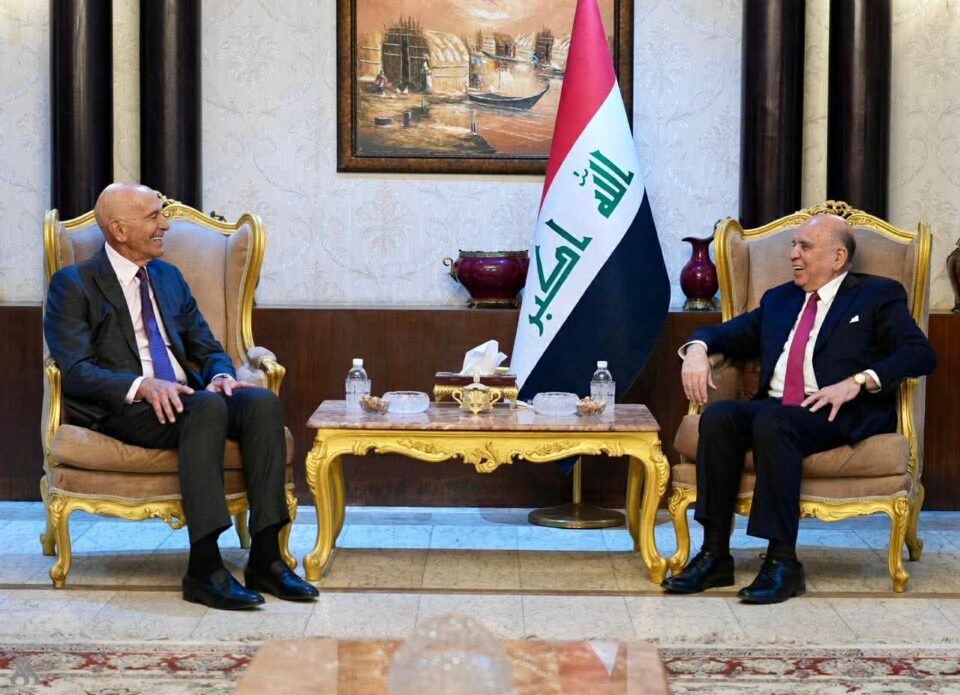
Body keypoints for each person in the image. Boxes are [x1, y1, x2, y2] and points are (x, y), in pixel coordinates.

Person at [43, 183, 319, 610]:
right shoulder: (74, 284)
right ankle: (204, 569)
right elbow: (77, 371)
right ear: (119, 229)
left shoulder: (168, 277)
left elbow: (206, 345)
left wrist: (222, 375)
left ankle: (267, 559)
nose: (165, 225)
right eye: (153, 217)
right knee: (204, 407)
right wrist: (142, 385)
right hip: (125, 407)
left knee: (260, 403)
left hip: (189, 399)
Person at [662, 214, 937, 604]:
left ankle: (782, 562)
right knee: (720, 417)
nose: (793, 254)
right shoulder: (780, 299)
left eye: (804, 247)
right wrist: (696, 350)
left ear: (838, 257)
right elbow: (725, 334)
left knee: (773, 421)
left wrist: (858, 381)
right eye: (794, 245)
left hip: (839, 412)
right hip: (778, 408)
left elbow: (920, 353)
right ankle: (714, 554)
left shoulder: (877, 294)